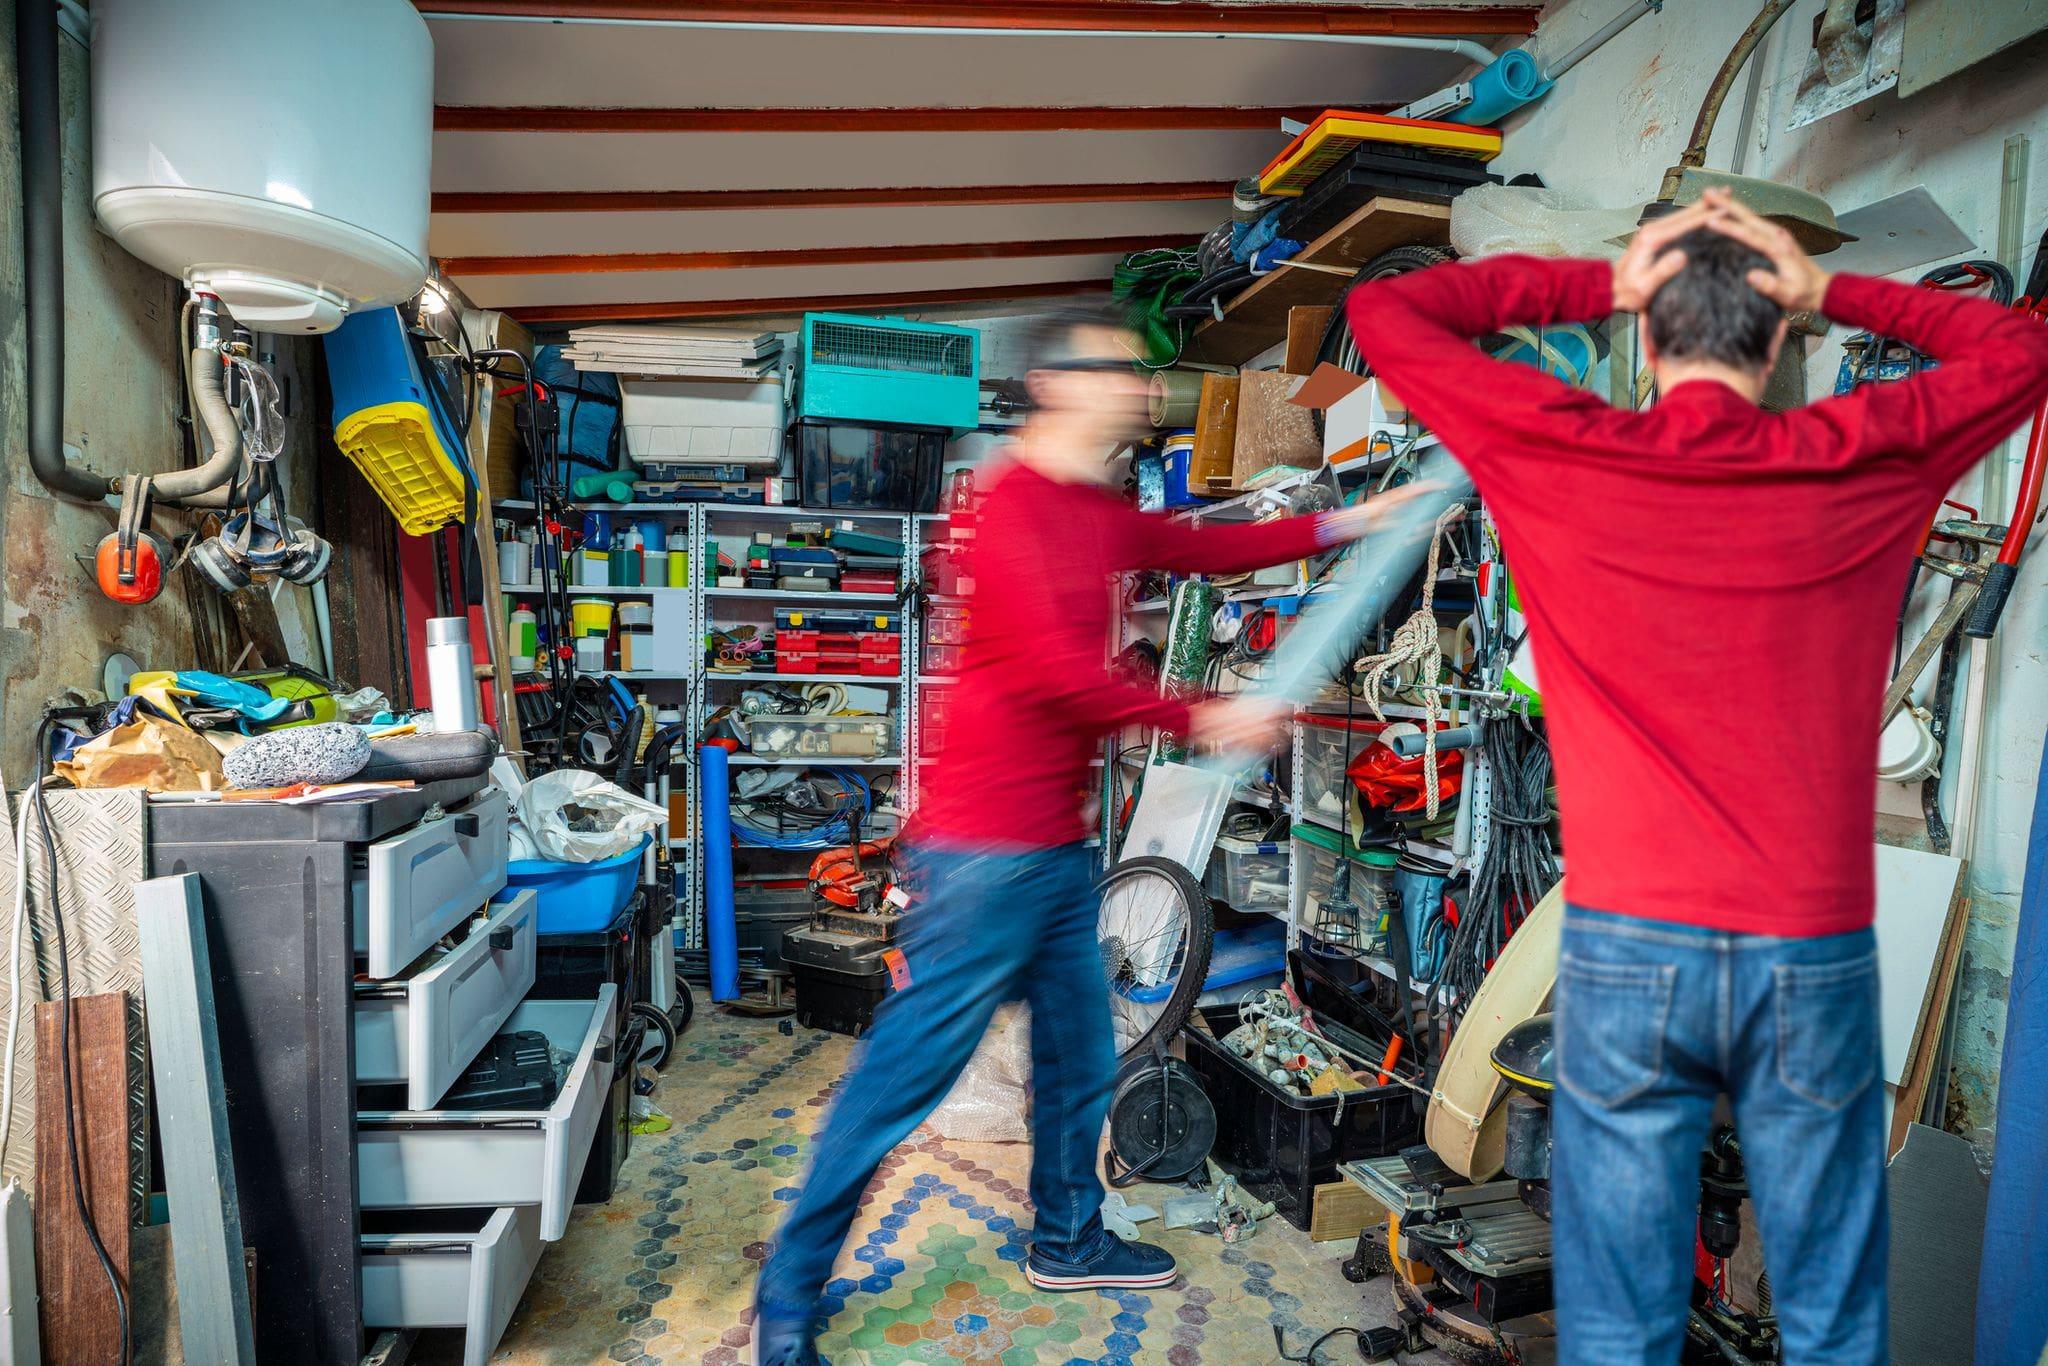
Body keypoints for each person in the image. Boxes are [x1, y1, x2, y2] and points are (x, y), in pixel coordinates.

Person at [1344, 188, 2048, 1363]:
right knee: (1826, 1305)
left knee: (1616, 1314)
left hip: (1627, 957)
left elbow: (1388, 310)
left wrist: (1602, 279)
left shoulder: (1558, 448)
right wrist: (1826, 285)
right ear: (1777, 336)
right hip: (1805, 957)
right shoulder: (1860, 453)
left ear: (1648, 333)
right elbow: (2019, 345)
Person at [752, 311, 1389, 1364]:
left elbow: (1202, 544)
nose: (1144, 389)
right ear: (1057, 383)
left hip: (1048, 852)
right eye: (1122, 372)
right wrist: (1201, 714)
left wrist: (1341, 527)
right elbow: (1056, 675)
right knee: (897, 1085)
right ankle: (787, 1295)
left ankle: (1067, 1236)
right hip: (982, 853)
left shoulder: (1092, 510)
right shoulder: (1006, 509)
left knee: (1078, 1052)